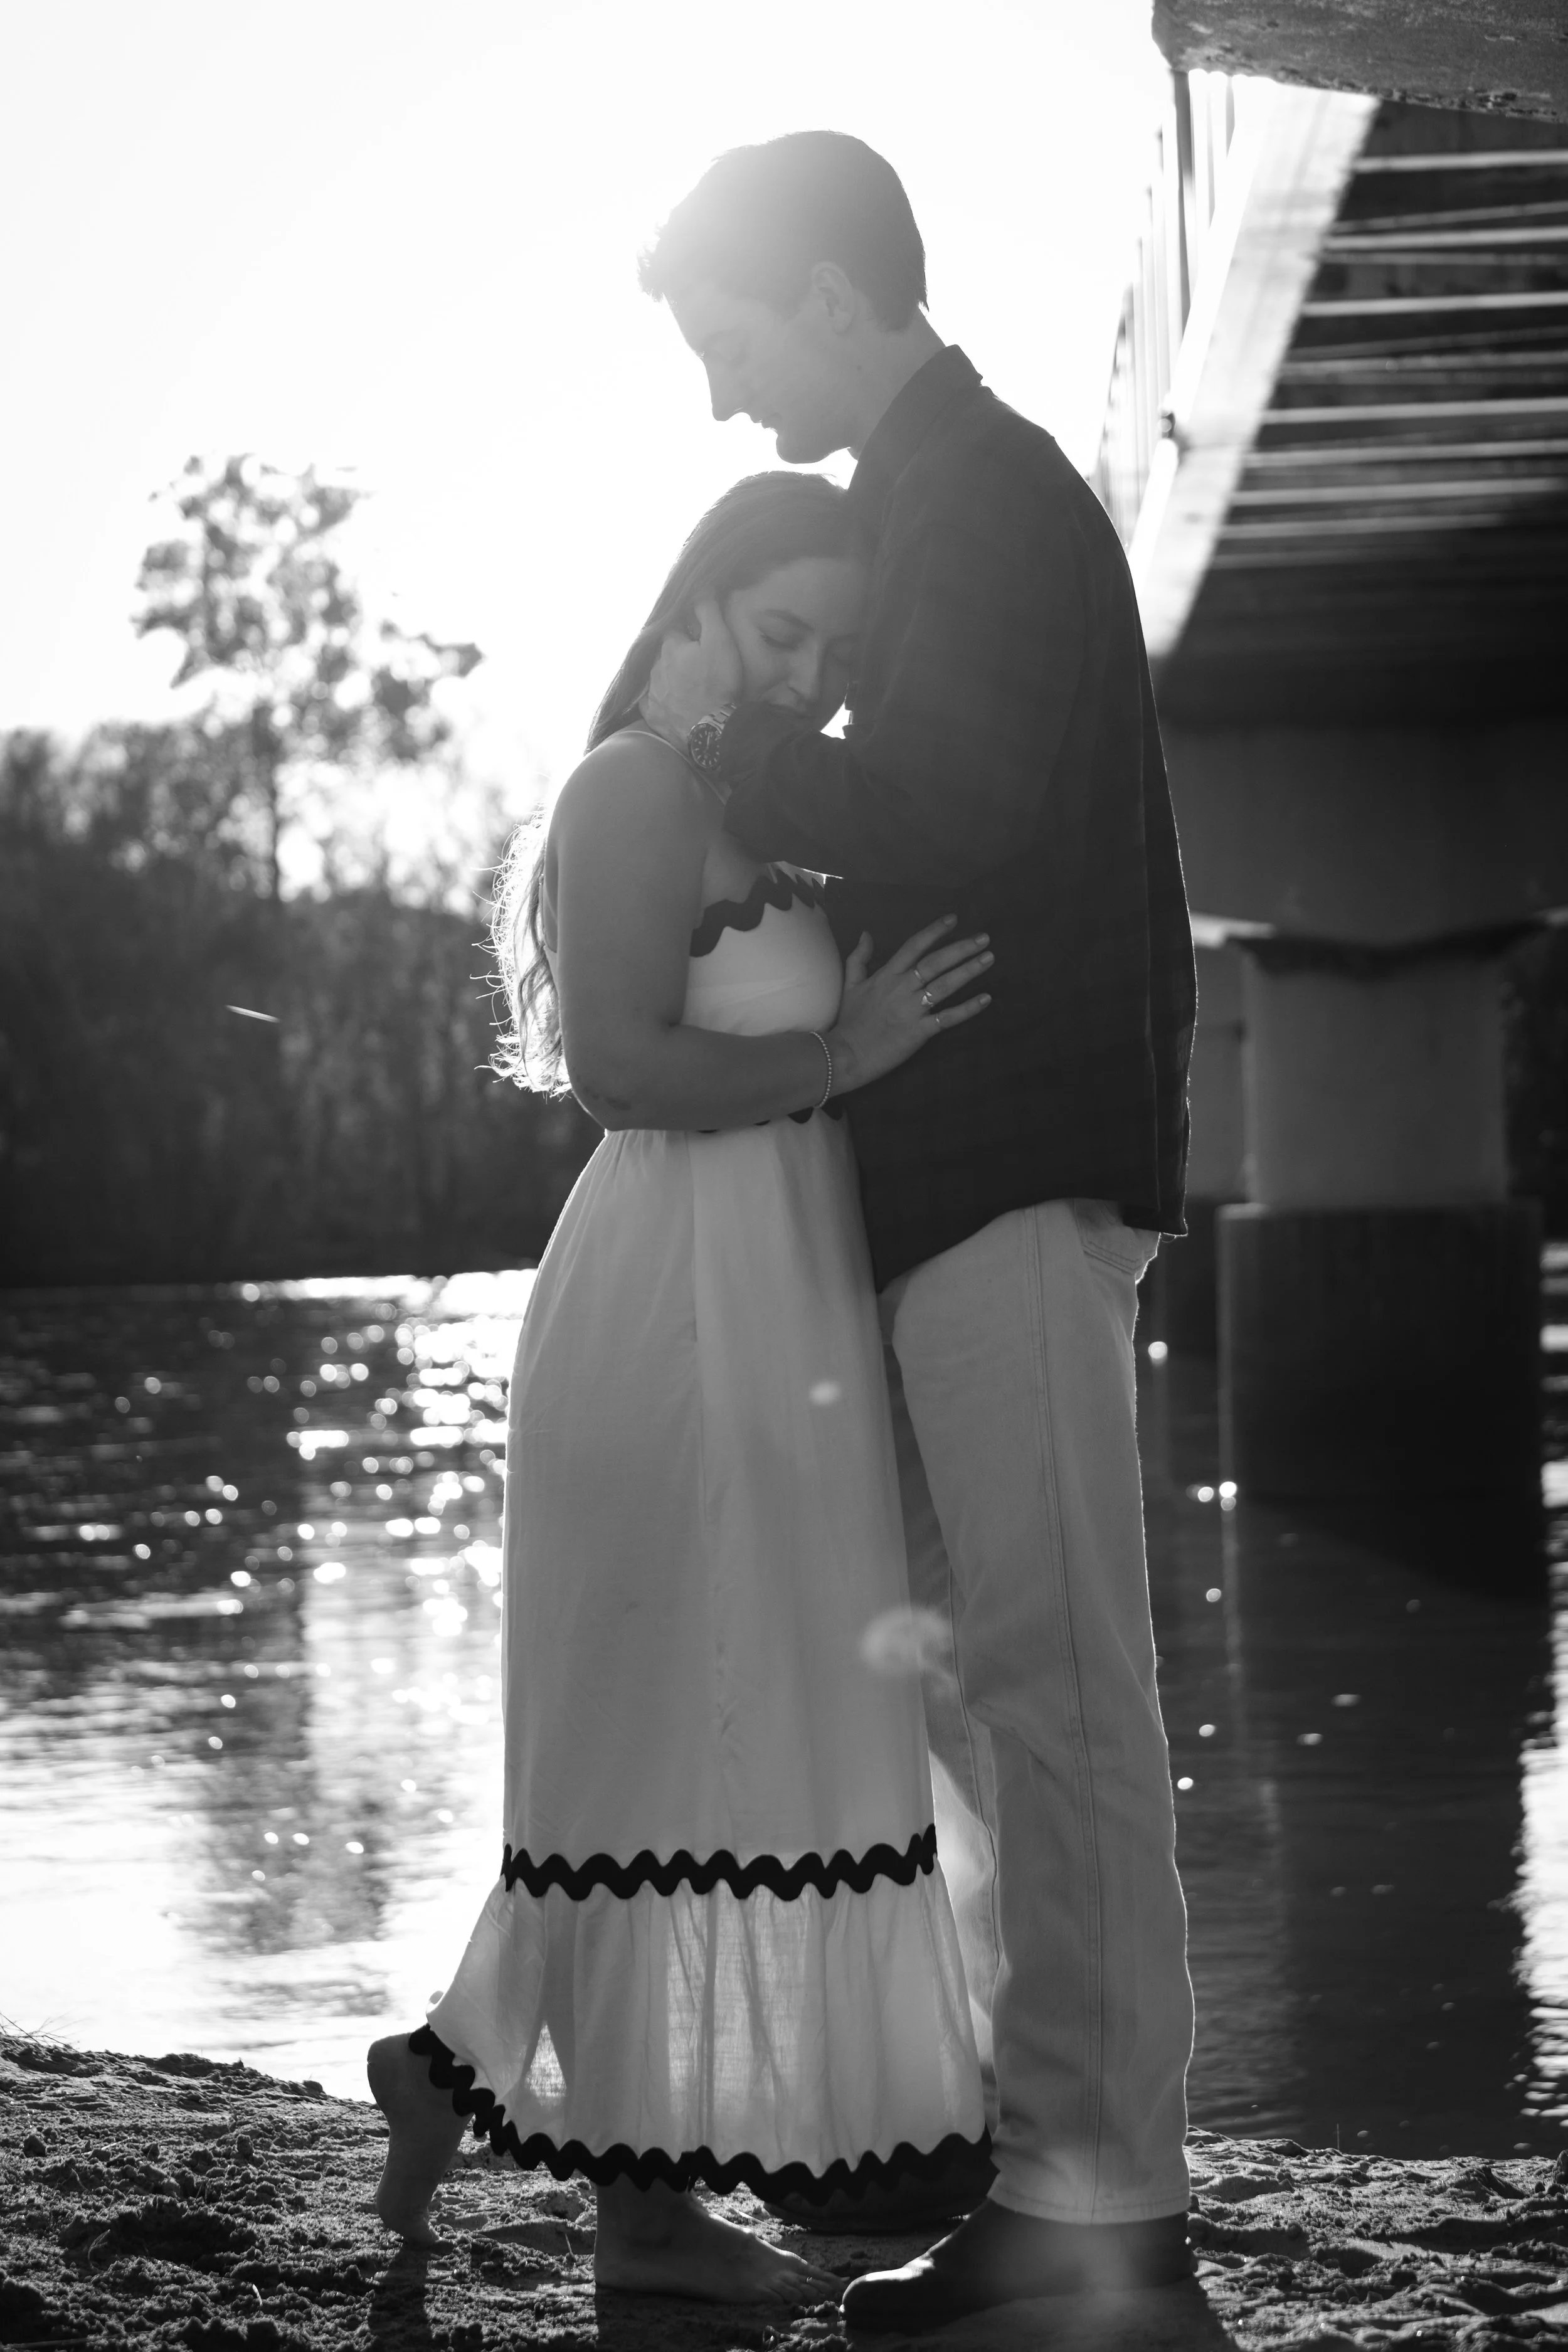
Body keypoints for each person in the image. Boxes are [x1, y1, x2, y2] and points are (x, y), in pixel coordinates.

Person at [638, 132, 1199, 2333]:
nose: (715, 398)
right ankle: (1034, 2188)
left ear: (833, 291)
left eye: (726, 337)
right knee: (975, 1698)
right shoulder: (941, 498)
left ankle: (1101, 2213)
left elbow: (951, 810)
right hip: (957, 1181)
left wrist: (735, 744)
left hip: (1014, 1176)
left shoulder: (984, 492)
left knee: (1058, 1695)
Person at [366, 471, 993, 2307]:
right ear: (698, 601)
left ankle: (457, 2079)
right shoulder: (632, 786)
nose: (805, 675)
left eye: (834, 650)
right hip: (665, 1314)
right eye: (779, 632)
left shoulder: (763, 798)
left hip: (779, 1305)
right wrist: (846, 1046)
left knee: (746, 1727)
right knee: (649, 1733)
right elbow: (621, 1072)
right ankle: (636, 2227)